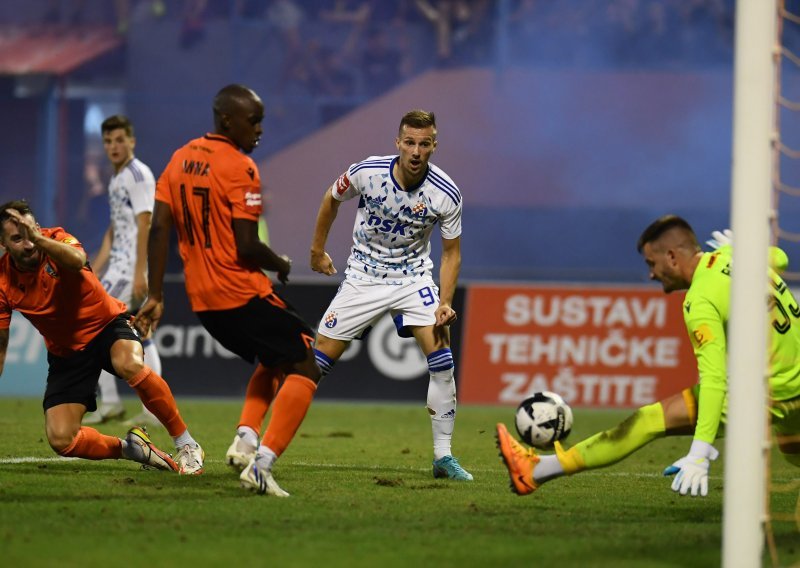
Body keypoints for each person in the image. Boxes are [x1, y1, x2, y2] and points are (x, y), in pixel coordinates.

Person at [496, 215, 800, 497]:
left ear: (671, 257)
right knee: (793, 452)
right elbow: (781, 258)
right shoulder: (734, 257)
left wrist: (699, 452)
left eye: (652, 263)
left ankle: (534, 471)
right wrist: (740, 247)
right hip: (795, 378)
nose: (651, 274)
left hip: (766, 391)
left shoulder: (701, 299)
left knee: (647, 420)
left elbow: (714, 379)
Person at [137, 84, 321, 497]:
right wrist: (282, 263)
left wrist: (156, 294)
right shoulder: (240, 167)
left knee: (276, 358)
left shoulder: (179, 158)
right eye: (253, 121)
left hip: (205, 303)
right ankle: (262, 466)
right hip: (241, 292)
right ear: (227, 120)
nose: (259, 130)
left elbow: (160, 229)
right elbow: (247, 246)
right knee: (307, 363)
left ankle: (247, 437)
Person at [310, 109, 473, 481]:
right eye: (410, 142)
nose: (416, 151)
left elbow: (451, 253)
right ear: (398, 142)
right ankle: (268, 440)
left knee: (443, 361)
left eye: (424, 144)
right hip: (363, 276)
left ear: (434, 145)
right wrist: (317, 251)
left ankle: (443, 458)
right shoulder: (367, 172)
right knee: (315, 364)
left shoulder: (446, 193)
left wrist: (445, 302)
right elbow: (330, 199)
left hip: (413, 280)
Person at [0, 200, 204, 475]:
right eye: (17, 238)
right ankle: (132, 449)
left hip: (107, 325)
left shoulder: (57, 239)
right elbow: (1, 346)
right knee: (62, 440)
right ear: (3, 244)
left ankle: (187, 444)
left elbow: (77, 261)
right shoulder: (3, 281)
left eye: (30, 232)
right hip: (67, 352)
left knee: (129, 364)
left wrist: (37, 238)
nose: (28, 244)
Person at [83, 115, 161, 429]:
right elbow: (114, 231)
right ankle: (148, 408)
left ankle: (115, 402)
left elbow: (146, 223)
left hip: (131, 268)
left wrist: (142, 272)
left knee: (95, 326)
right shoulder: (117, 179)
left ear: (132, 141)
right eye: (108, 141)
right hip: (119, 266)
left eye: (119, 140)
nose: (113, 147)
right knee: (141, 333)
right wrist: (91, 269)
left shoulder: (137, 174)